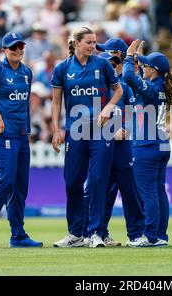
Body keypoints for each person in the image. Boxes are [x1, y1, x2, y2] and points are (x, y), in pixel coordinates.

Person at [51, 27, 123, 248]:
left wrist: (108, 108)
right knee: (72, 181)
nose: (93, 46)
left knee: (98, 180)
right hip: (75, 131)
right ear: (76, 43)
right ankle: (75, 233)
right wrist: (55, 129)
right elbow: (56, 102)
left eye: (94, 42)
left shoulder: (102, 64)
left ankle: (96, 233)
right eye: (89, 43)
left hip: (101, 130)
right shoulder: (63, 68)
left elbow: (118, 90)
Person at [0, 32, 43, 248]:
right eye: (13, 47)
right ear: (4, 50)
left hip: (21, 136)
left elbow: (25, 105)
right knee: (6, 181)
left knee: (20, 186)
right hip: (1, 135)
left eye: (21, 46)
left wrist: (28, 130)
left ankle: (18, 235)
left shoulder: (27, 73)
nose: (18, 50)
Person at [82, 50, 145, 247]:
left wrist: (125, 129)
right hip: (99, 145)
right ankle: (94, 233)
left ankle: (135, 234)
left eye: (115, 63)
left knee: (129, 189)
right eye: (108, 63)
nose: (112, 66)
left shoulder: (124, 88)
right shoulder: (91, 88)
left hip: (121, 147)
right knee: (97, 188)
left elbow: (133, 114)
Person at [122, 40, 172, 247]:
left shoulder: (151, 89)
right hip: (162, 144)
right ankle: (160, 235)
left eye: (145, 66)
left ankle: (151, 236)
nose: (142, 68)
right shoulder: (160, 86)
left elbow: (128, 77)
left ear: (153, 70)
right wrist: (138, 59)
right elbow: (137, 79)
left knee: (148, 193)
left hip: (147, 145)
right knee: (158, 190)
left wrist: (129, 56)